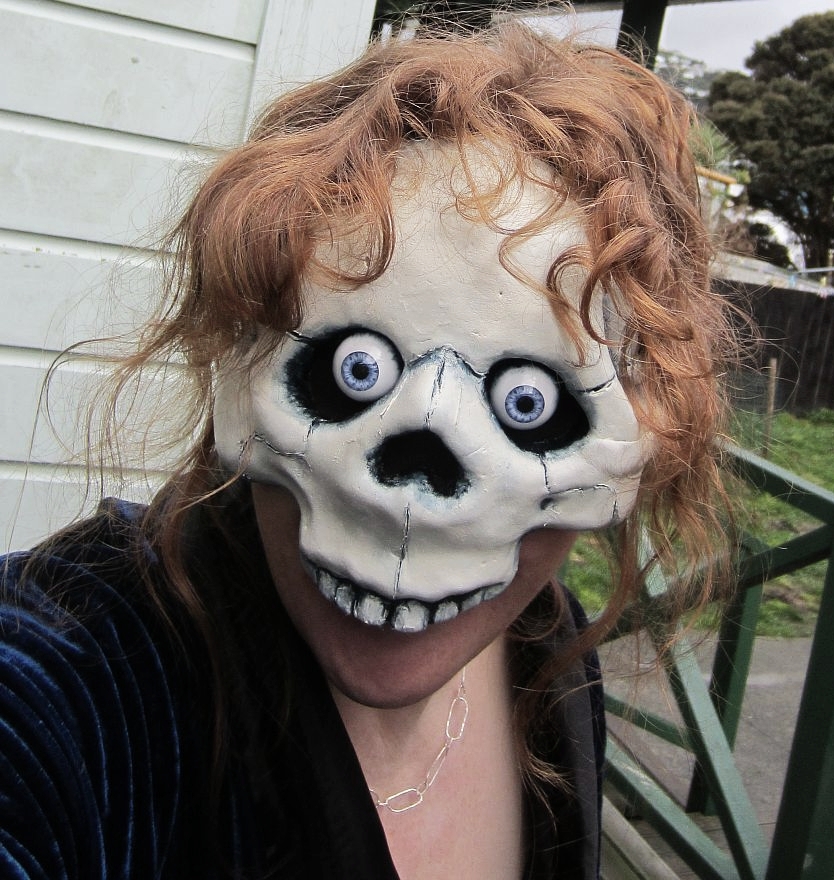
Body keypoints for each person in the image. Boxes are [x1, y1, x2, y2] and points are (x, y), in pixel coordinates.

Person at [0, 20, 735, 880]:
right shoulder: (74, 678)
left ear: (645, 432)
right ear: (240, 354)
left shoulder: (551, 656)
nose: (409, 498)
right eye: (355, 371)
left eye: (528, 406)